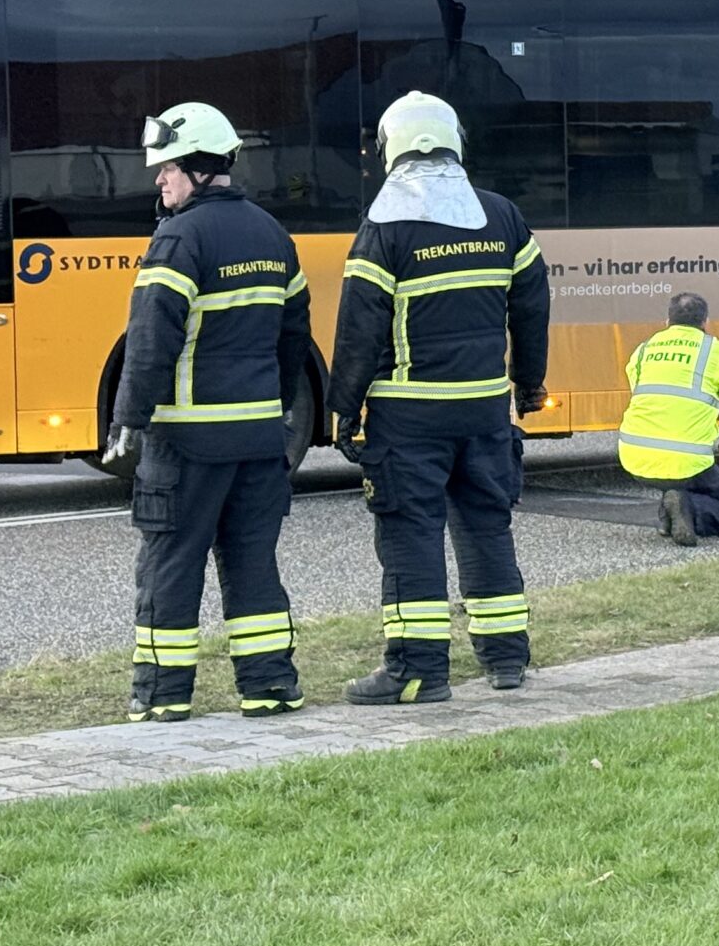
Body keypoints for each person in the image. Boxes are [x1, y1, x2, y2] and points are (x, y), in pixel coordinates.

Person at [328, 91, 549, 704]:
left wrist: (343, 407)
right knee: (487, 527)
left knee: (411, 535)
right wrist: (529, 382)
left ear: (392, 150)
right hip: (484, 409)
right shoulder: (503, 217)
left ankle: (417, 673)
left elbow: (358, 330)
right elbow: (533, 305)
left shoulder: (383, 228)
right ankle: (506, 659)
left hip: (409, 417)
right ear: (455, 142)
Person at [103, 102, 314, 724]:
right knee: (253, 564)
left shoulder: (179, 238)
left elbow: (150, 340)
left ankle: (162, 696)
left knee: (171, 563)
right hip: (259, 441)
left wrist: (127, 418)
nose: (159, 180)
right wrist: (274, 410)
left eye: (167, 169)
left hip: (188, 442)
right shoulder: (273, 235)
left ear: (197, 168)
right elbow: (294, 339)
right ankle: (270, 686)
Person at [618, 292, 719, 544]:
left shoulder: (644, 350)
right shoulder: (715, 351)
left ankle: (673, 508)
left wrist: (711, 407)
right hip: (685, 460)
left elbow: (656, 396)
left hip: (634, 456)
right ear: (705, 322)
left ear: (667, 321)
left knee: (683, 479)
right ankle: (684, 506)